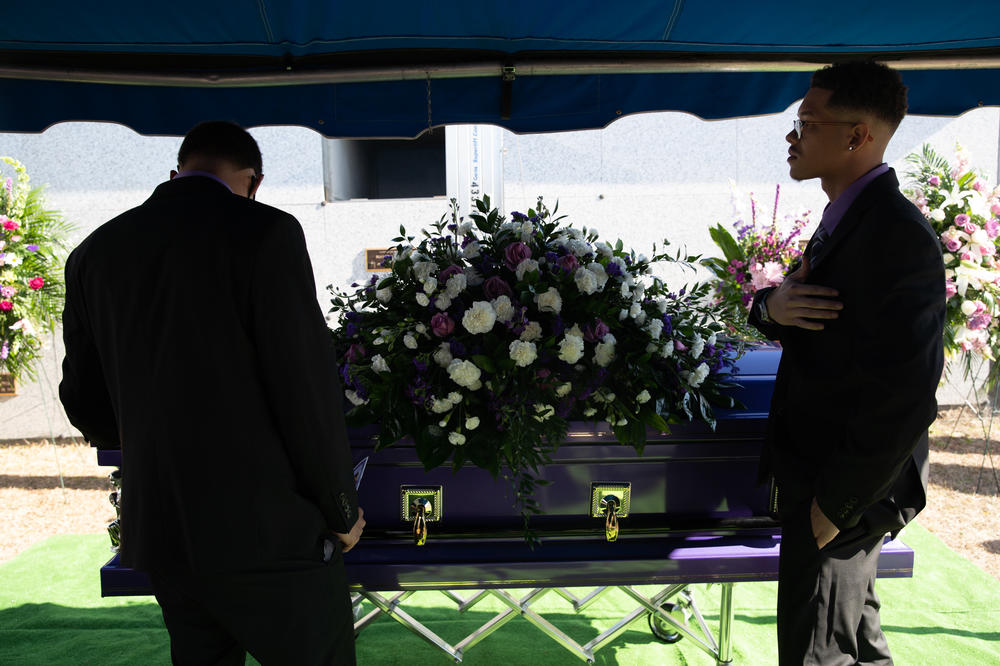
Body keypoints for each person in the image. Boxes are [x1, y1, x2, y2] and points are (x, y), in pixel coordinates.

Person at [60, 121, 365, 665]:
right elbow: (304, 389)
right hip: (267, 527)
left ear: (175, 173)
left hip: (165, 526)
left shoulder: (94, 252)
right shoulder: (266, 233)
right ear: (253, 180)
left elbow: (85, 403)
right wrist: (340, 506)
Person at [748, 61, 945, 664]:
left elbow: (907, 396)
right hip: (829, 485)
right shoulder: (849, 219)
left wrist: (834, 508)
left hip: (844, 492)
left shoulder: (898, 237)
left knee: (818, 652)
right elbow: (798, 323)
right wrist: (772, 306)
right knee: (854, 644)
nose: (792, 136)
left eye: (806, 122)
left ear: (857, 135)